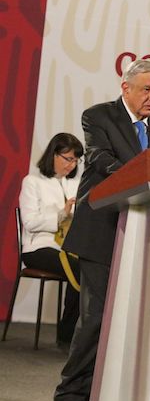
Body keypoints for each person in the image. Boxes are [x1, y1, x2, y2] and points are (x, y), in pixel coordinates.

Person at [53, 59, 150, 401]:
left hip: (144, 231)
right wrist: (144, 177)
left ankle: (111, 393)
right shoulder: (98, 116)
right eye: (147, 90)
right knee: (95, 317)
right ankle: (71, 394)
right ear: (126, 88)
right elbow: (100, 158)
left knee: (133, 317)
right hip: (102, 230)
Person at [18, 133, 84, 348]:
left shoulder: (74, 185)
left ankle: (71, 335)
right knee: (79, 269)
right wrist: (61, 214)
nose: (72, 165)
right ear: (53, 155)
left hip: (66, 248)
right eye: (68, 159)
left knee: (89, 267)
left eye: (75, 160)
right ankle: (67, 337)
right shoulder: (33, 182)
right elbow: (29, 222)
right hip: (38, 248)